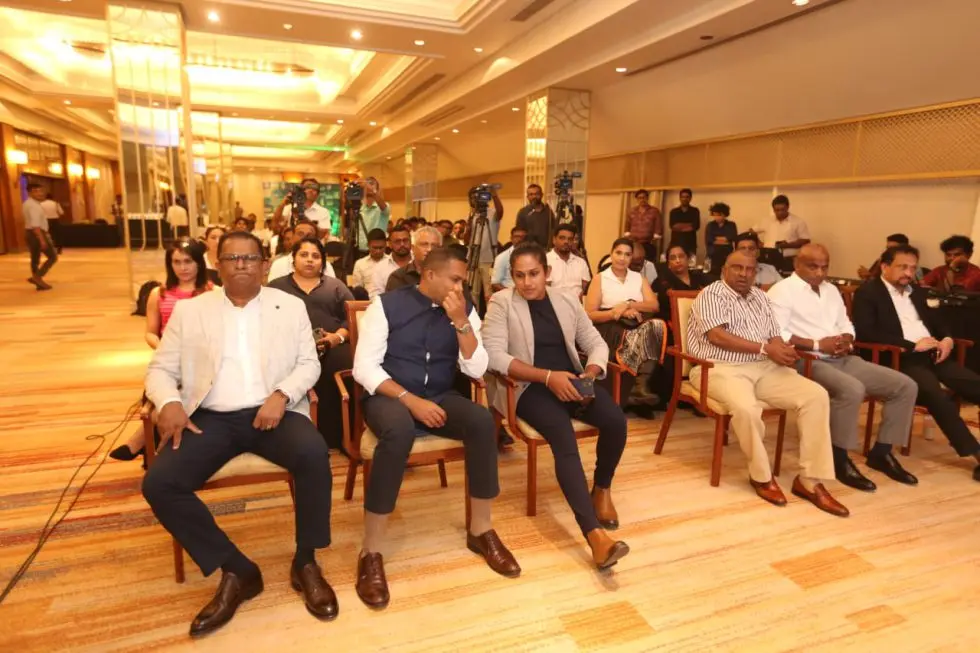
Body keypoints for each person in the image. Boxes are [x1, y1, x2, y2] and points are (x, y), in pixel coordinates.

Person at [142, 231, 336, 637]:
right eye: (232, 258)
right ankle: (237, 569)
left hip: (274, 412)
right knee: (160, 483)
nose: (242, 264)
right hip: (210, 417)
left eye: (250, 258)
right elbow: (160, 369)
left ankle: (305, 560)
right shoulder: (191, 311)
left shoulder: (290, 306)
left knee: (315, 455)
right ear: (218, 265)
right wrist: (169, 402)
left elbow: (309, 363)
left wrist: (282, 395)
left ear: (265, 265)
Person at [351, 246, 520, 608]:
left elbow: (476, 369)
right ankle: (371, 551)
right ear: (429, 275)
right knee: (398, 431)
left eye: (463, 281)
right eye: (455, 280)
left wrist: (460, 322)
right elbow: (364, 368)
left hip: (440, 395)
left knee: (480, 421)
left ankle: (481, 530)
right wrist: (411, 401)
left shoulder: (463, 309)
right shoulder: (386, 306)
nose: (461, 287)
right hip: (389, 396)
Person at [483, 243, 630, 570]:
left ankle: (601, 488)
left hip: (573, 380)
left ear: (547, 273)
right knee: (564, 438)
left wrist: (590, 373)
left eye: (533, 274)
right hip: (529, 388)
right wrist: (548, 377)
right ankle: (594, 535)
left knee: (616, 421)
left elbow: (595, 342)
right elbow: (493, 356)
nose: (526, 282)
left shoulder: (565, 300)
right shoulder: (501, 303)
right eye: (519, 275)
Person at [687, 251, 848, 516]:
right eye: (737, 268)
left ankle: (810, 480)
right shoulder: (711, 294)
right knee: (747, 409)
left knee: (816, 395)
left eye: (750, 269)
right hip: (719, 368)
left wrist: (782, 350)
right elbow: (717, 336)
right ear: (724, 269)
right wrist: (765, 348)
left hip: (764, 367)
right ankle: (761, 476)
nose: (743, 274)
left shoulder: (761, 297)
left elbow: (774, 335)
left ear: (756, 272)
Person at [768, 244, 919, 490]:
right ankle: (838, 458)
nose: (820, 273)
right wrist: (818, 344)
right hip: (804, 360)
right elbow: (776, 332)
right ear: (797, 264)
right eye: (813, 266)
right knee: (851, 389)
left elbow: (846, 323)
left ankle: (882, 452)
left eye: (824, 267)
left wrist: (846, 339)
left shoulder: (830, 290)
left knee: (905, 386)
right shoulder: (782, 291)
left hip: (842, 358)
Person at [852, 244, 980, 483]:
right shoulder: (868, 293)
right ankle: (976, 453)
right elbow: (866, 333)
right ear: (885, 266)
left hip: (933, 354)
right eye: (903, 267)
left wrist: (947, 339)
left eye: (913, 268)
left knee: (974, 385)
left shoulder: (918, 293)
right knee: (936, 395)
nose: (909, 273)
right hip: (898, 357)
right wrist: (911, 345)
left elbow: (940, 323)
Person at [111, 238, 214, 463]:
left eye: (188, 261)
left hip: (200, 359)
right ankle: (154, 448)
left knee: (173, 396)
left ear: (199, 263)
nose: (183, 267)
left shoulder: (212, 292)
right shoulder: (159, 293)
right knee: (161, 382)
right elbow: (150, 332)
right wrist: (165, 350)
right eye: (177, 262)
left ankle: (140, 443)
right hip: (168, 357)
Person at [269, 238, 354, 449]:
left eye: (315, 256)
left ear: (323, 262)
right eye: (304, 255)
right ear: (293, 259)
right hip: (288, 351)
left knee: (345, 367)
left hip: (332, 347)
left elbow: (352, 319)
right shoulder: (276, 287)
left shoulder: (335, 286)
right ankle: (296, 443)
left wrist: (337, 337)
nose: (309, 260)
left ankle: (342, 439)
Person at [585, 238, 665, 405]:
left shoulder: (638, 278)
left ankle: (640, 383)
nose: (622, 258)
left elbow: (654, 305)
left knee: (657, 325)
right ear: (611, 254)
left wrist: (628, 304)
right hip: (609, 325)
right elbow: (590, 314)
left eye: (627, 255)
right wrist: (617, 313)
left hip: (636, 324)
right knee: (635, 336)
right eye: (618, 253)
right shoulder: (601, 278)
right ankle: (631, 387)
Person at [651, 242, 713, 324]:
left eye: (681, 256)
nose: (678, 261)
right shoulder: (661, 282)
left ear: (688, 259)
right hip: (672, 324)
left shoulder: (701, 279)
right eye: (673, 258)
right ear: (668, 264)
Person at [465, 185, 504, 304]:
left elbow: (500, 212)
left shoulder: (492, 213)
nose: (476, 200)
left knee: (489, 293)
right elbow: (467, 240)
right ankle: (474, 314)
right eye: (473, 198)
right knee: (473, 292)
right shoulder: (472, 216)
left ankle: (491, 314)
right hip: (473, 259)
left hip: (489, 259)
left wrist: (494, 195)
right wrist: (469, 224)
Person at [752, 195, 810, 267]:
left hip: (788, 259)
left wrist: (787, 245)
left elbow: (805, 240)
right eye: (777, 210)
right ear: (773, 209)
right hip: (768, 258)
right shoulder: (766, 221)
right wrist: (759, 243)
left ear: (788, 207)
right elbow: (751, 232)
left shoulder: (798, 222)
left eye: (782, 209)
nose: (780, 212)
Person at [268, 221, 336, 282]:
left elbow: (332, 289)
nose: (304, 237)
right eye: (300, 234)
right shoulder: (279, 264)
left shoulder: (326, 266)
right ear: (292, 238)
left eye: (310, 235)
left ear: (316, 239)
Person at [382, 225, 441, 292]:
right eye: (424, 244)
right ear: (413, 248)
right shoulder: (398, 277)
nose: (429, 249)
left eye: (434, 245)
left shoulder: (447, 275)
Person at [23, 183, 58, 291]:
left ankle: (38, 282)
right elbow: (35, 225)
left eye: (41, 191)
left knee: (35, 258)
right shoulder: (33, 206)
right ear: (30, 192)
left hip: (30, 232)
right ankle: (37, 277)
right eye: (36, 191)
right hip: (36, 233)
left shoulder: (28, 203)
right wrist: (42, 239)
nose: (40, 193)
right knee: (52, 257)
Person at [546, 224, 591, 300]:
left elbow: (586, 289)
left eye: (570, 239)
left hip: (577, 304)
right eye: (562, 238)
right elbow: (545, 289)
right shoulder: (545, 260)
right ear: (554, 240)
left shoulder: (581, 262)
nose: (566, 241)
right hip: (554, 303)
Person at [368, 224, 413, 299]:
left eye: (405, 240)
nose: (402, 244)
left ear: (411, 241)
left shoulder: (420, 263)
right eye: (397, 241)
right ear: (389, 244)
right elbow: (375, 297)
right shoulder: (380, 268)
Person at [858, 233, 923, 280]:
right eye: (887, 248)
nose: (888, 251)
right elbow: (871, 281)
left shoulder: (913, 266)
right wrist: (866, 276)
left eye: (892, 248)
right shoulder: (880, 261)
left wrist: (869, 276)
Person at [355, 177, 391, 257]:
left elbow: (384, 208)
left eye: (371, 184)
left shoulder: (383, 207)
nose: (368, 186)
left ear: (377, 190)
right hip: (360, 251)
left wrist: (371, 189)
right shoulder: (360, 208)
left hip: (377, 250)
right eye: (367, 184)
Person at [625, 189, 662, 263]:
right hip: (634, 243)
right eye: (639, 198)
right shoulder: (632, 211)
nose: (642, 200)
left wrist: (655, 238)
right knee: (634, 263)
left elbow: (658, 226)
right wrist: (628, 236)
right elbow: (627, 226)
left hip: (648, 243)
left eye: (644, 197)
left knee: (648, 263)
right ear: (637, 199)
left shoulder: (654, 211)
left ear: (647, 198)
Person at [515, 183, 555, 248]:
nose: (534, 197)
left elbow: (553, 230)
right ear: (527, 197)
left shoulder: (549, 212)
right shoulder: (523, 212)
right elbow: (519, 232)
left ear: (541, 195)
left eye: (537, 194)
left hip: (547, 249)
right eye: (531, 194)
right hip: (529, 249)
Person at [491, 226, 528, 292]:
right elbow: (495, 284)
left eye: (523, 237)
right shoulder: (502, 257)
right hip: (510, 294)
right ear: (511, 238)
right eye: (517, 237)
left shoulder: (532, 256)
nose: (520, 239)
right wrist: (513, 293)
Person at [668, 188, 700, 259]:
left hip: (690, 244)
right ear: (680, 198)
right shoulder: (674, 211)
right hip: (676, 243)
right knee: (676, 263)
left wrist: (680, 226)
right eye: (682, 197)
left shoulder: (695, 211)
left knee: (691, 264)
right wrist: (688, 225)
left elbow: (696, 226)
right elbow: (673, 226)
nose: (684, 199)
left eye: (687, 197)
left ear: (690, 198)